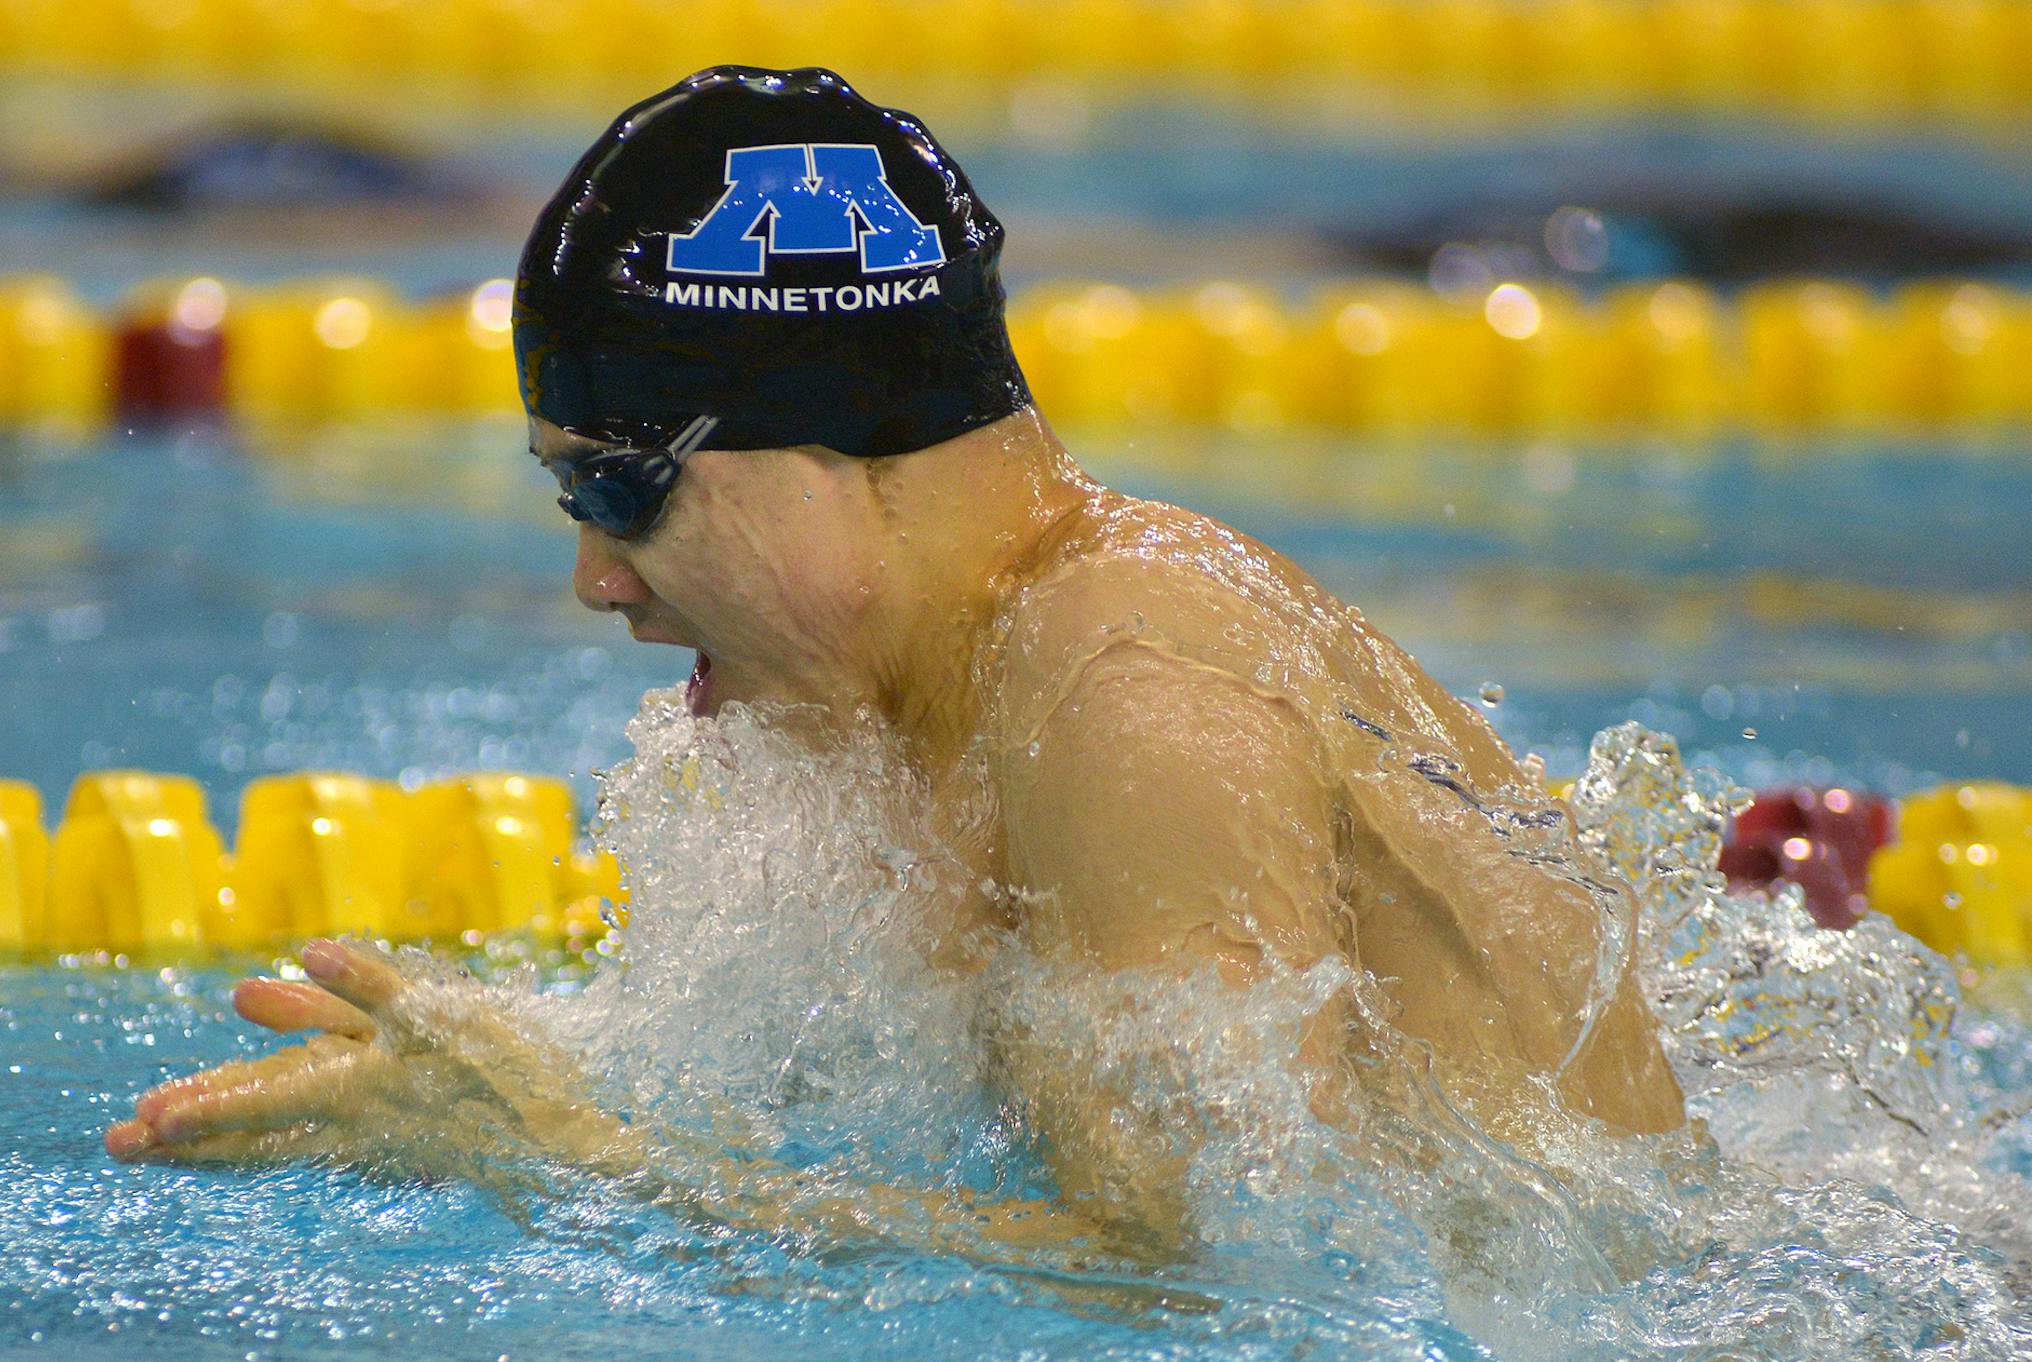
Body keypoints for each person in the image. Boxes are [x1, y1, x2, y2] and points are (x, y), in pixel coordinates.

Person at [107, 67, 1685, 1260]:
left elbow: (1240, 1282)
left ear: (827, 439)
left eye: (619, 488)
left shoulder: (1123, 692)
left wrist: (572, 1147)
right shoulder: (959, 697)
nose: (593, 579)